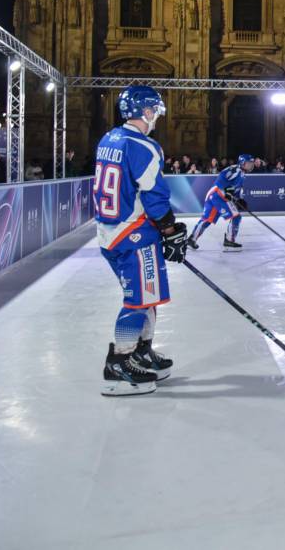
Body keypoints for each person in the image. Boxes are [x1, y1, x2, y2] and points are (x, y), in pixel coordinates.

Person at [93, 84, 188, 396]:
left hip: (110, 234)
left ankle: (140, 351)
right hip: (133, 235)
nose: (157, 116)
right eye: (155, 111)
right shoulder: (144, 146)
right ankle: (119, 364)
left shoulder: (109, 139)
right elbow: (154, 195)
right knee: (138, 301)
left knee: (148, 297)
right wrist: (170, 230)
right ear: (146, 111)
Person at [188, 153, 254, 251]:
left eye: (251, 163)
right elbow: (222, 176)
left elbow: (236, 189)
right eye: (249, 163)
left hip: (214, 195)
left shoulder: (242, 174)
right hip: (218, 196)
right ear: (242, 163)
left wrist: (240, 199)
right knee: (236, 216)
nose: (251, 165)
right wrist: (224, 190)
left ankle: (192, 239)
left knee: (207, 219)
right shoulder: (235, 170)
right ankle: (229, 240)